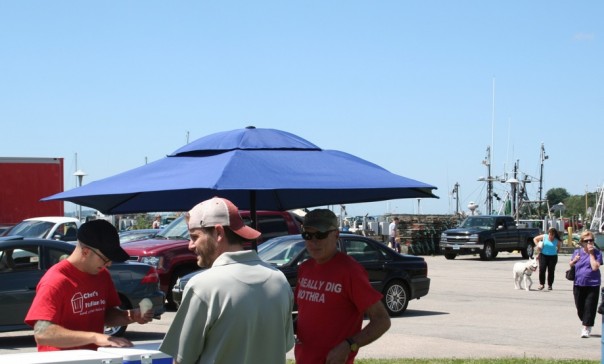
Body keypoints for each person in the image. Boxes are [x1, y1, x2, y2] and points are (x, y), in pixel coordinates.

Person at [159, 197, 294, 364]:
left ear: (218, 233)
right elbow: (286, 345)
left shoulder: (202, 286)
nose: (190, 245)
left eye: (194, 237)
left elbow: (182, 358)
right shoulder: (278, 279)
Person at [24, 219, 154, 351]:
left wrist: (131, 315)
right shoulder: (55, 281)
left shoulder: (102, 275)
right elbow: (43, 333)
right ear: (85, 252)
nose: (109, 264)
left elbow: (106, 315)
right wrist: (95, 337)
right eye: (105, 258)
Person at [294, 209, 391, 364]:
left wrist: (349, 345)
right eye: (307, 235)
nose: (313, 242)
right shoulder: (305, 269)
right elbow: (308, 315)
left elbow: (382, 320)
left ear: (336, 235)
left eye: (320, 235)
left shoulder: (350, 271)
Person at [569, 230, 602, 338]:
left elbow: (595, 267)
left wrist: (592, 254)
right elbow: (571, 264)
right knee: (580, 308)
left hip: (593, 284)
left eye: (591, 240)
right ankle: (586, 321)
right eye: (586, 241)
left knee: (590, 306)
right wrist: (574, 261)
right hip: (579, 283)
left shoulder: (597, 253)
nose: (589, 243)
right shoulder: (577, 252)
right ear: (582, 242)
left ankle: (586, 327)